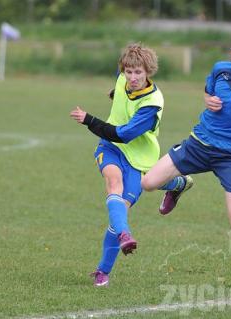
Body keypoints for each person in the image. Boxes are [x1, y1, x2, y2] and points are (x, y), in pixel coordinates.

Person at [141, 32, 231, 308]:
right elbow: (208, 90)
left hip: (230, 156)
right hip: (198, 144)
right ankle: (179, 185)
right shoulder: (220, 70)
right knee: (148, 183)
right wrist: (208, 100)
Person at [70, 43, 164, 287]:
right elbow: (122, 91)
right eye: (128, 72)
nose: (132, 78)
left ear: (148, 72)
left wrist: (88, 120)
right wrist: (115, 92)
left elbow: (122, 134)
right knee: (114, 183)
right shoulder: (123, 78)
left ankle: (103, 269)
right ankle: (125, 234)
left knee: (120, 209)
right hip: (110, 148)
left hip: (136, 156)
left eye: (138, 73)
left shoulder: (152, 105)